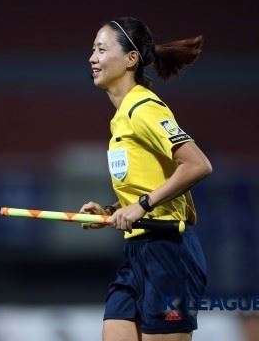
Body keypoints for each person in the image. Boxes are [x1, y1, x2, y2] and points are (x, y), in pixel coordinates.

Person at [79, 17, 212, 341]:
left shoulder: (145, 109)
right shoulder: (120, 118)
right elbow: (147, 184)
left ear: (130, 59)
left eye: (101, 49)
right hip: (136, 254)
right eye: (92, 50)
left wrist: (141, 205)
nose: (92, 58)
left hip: (168, 254)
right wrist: (113, 211)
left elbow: (198, 165)